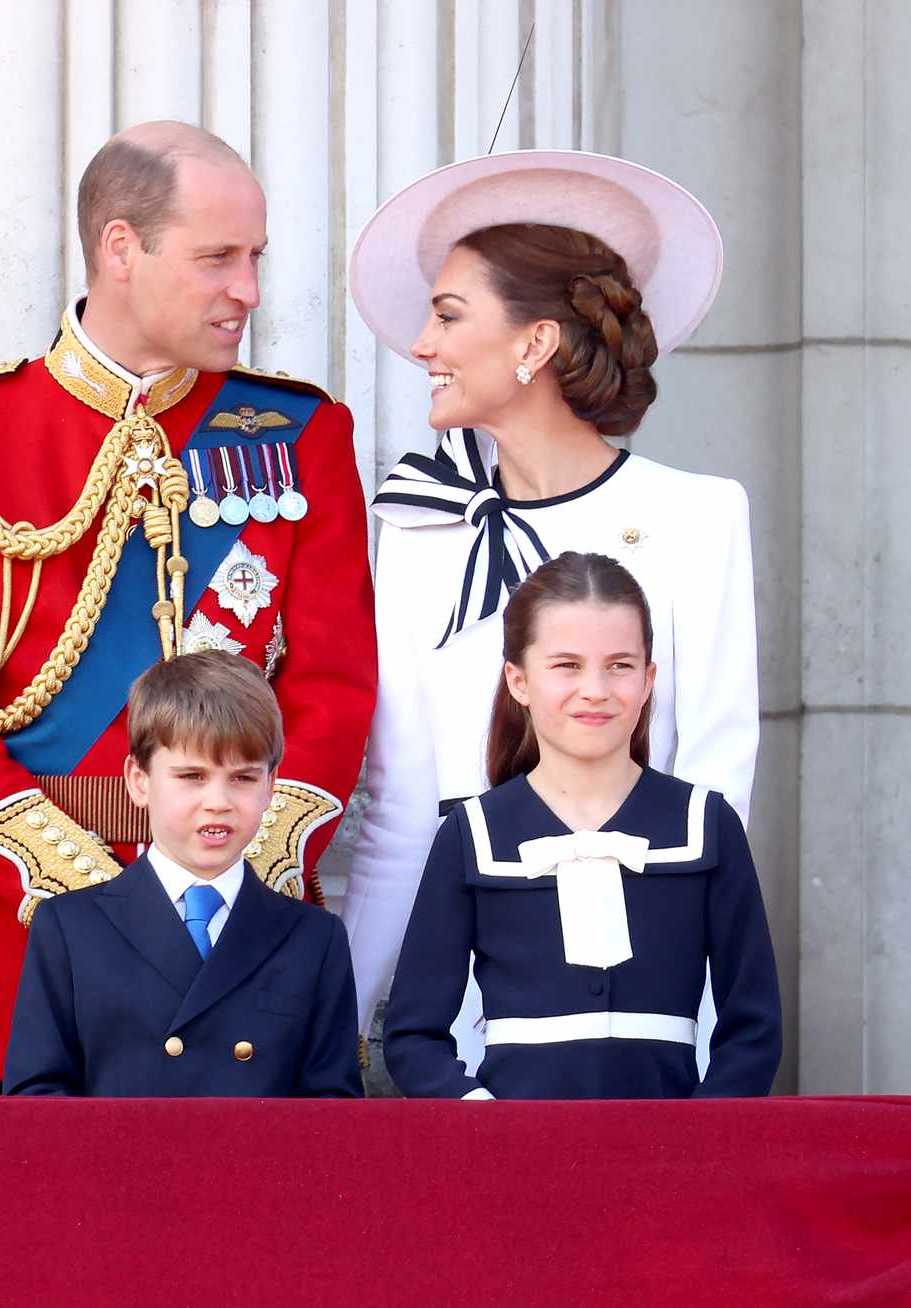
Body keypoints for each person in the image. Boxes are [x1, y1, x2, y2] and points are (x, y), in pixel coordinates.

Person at [0, 121, 375, 1092]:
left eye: (257, 257)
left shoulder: (302, 434)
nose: (251, 292)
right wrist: (100, 905)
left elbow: (335, 693)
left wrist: (234, 876)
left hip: (246, 943)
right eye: (218, 257)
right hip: (32, 939)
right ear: (119, 247)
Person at [342, 151, 759, 1064]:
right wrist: (333, 1029)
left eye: (449, 317)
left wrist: (711, 1044)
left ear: (534, 345)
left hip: (644, 1012)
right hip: (465, 1022)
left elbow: (716, 792)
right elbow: (403, 812)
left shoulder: (698, 516)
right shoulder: (419, 527)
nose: (421, 345)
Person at [383, 552, 781, 1098]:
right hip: (516, 1159)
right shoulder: (470, 833)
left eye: (619, 665)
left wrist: (698, 1136)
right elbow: (413, 1036)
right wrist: (482, 1120)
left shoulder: (706, 825)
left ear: (648, 679)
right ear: (518, 680)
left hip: (672, 1162)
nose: (595, 689)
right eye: (567, 665)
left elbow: (754, 1029)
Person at [3, 651, 361, 1096]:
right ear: (139, 780)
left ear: (272, 786)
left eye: (244, 778)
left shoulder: (314, 939)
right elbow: (38, 1103)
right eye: (192, 776)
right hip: (114, 1164)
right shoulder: (69, 928)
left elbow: (332, 1118)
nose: (218, 801)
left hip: (262, 1166)